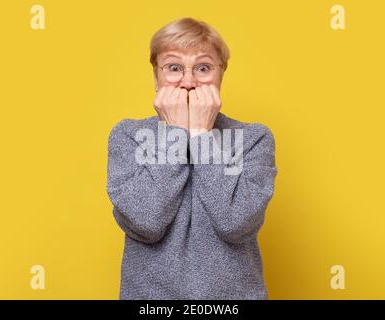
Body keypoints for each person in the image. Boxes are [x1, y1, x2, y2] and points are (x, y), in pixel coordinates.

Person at [106, 17, 278, 299]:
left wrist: (200, 134)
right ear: (156, 76)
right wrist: (175, 133)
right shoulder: (128, 135)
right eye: (174, 68)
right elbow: (145, 222)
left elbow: (234, 223)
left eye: (203, 68)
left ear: (221, 74)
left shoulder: (254, 138)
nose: (188, 81)